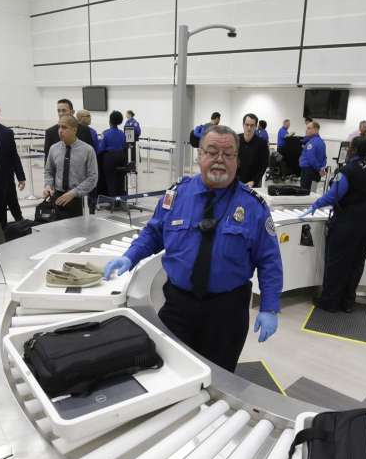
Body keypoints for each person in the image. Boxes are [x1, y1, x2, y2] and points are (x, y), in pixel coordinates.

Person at [102, 126, 282, 372]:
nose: (220, 159)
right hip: (179, 305)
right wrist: (130, 256)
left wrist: (269, 307)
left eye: (228, 154)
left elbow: (270, 260)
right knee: (171, 369)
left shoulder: (253, 207)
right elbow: (154, 232)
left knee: (218, 375)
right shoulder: (176, 196)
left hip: (227, 312)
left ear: (237, 162)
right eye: (212, 151)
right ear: (199, 156)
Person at [300, 137, 366, 313]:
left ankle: (329, 302)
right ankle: (347, 302)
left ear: (352, 149)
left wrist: (315, 205)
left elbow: (333, 196)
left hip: (350, 218)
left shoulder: (347, 170)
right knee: (357, 262)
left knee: (337, 261)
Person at [43, 115, 98, 219]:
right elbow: (48, 171)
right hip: (58, 198)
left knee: (80, 232)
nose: (60, 131)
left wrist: (73, 193)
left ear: (74, 130)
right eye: (59, 127)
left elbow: (93, 177)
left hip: (79, 199)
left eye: (64, 127)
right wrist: (48, 186)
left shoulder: (87, 150)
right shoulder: (54, 149)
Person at [100, 110, 127, 200]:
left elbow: (101, 148)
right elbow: (124, 146)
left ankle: (112, 201)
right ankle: (121, 200)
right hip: (121, 156)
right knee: (120, 180)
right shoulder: (122, 134)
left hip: (110, 158)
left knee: (111, 179)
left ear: (110, 121)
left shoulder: (105, 133)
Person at [237, 113, 269, 188]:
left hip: (253, 184)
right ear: (243, 125)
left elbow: (264, 165)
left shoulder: (262, 143)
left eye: (252, 125)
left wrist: (254, 181)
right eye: (247, 124)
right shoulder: (235, 140)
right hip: (236, 182)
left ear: (256, 126)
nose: (249, 128)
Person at [299, 121, 327, 191]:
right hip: (315, 171)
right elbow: (324, 157)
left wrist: (319, 169)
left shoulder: (311, 143)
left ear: (315, 130)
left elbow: (311, 159)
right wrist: (321, 168)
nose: (306, 130)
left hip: (308, 172)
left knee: (305, 193)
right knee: (313, 191)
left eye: (309, 128)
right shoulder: (321, 142)